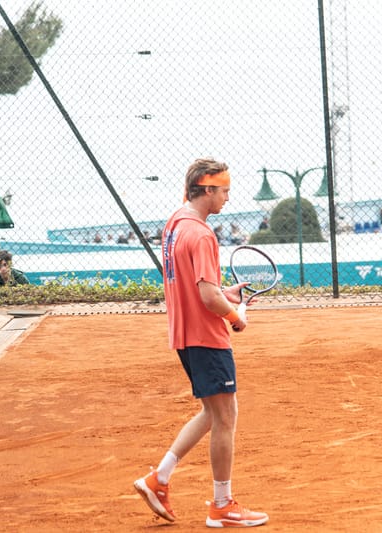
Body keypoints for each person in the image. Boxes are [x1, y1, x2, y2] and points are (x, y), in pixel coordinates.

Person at [133, 158, 269, 528]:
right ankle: (222, 506)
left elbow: (200, 290)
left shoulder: (175, 224)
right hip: (207, 339)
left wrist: (227, 295)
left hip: (184, 335)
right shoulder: (203, 234)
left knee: (214, 414)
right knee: (226, 417)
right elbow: (208, 299)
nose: (227, 197)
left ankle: (158, 478)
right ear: (208, 189)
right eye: (224, 190)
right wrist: (235, 316)